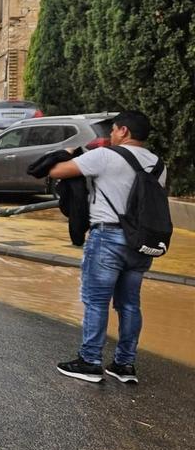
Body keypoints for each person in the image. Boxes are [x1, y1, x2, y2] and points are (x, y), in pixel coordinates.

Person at [48, 110, 165, 384]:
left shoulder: (105, 156)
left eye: (113, 130)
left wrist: (67, 152)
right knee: (130, 304)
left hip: (108, 238)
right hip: (141, 243)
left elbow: (56, 171)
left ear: (124, 131)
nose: (110, 135)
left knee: (96, 301)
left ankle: (90, 361)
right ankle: (124, 365)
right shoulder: (159, 164)